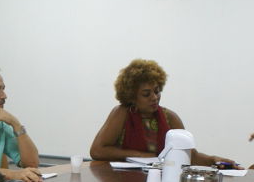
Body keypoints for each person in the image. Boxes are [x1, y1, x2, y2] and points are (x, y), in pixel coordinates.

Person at [90, 59, 236, 166]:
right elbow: (97, 151)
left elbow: (190, 156)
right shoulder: (121, 113)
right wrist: (139, 155)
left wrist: (213, 160)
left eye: (157, 91)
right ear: (132, 97)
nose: (154, 97)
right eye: (146, 94)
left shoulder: (170, 118)